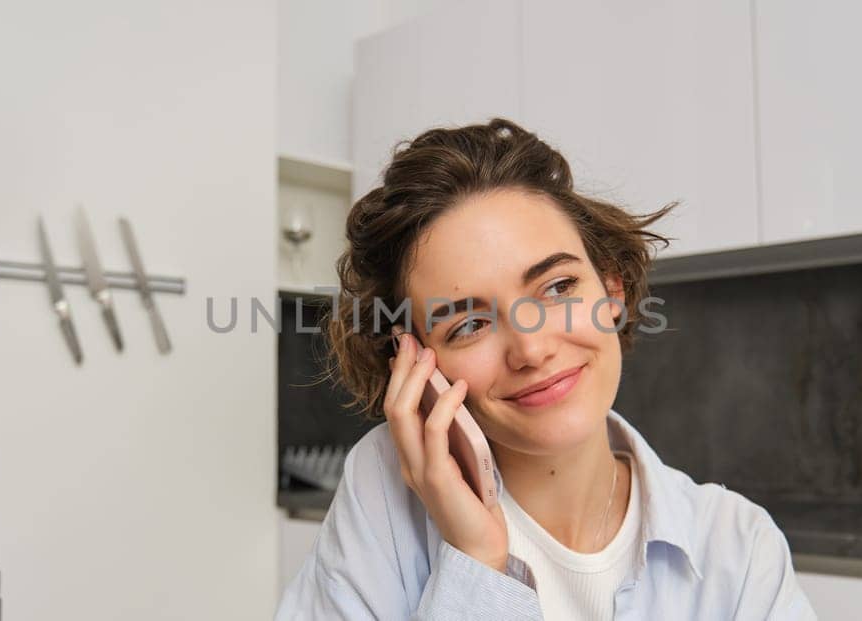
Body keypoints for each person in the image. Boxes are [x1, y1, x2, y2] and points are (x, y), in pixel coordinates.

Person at [276, 119, 816, 620]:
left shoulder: (738, 549)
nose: (531, 350)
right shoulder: (385, 494)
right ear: (415, 362)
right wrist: (475, 562)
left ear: (611, 291)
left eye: (557, 288)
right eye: (468, 324)